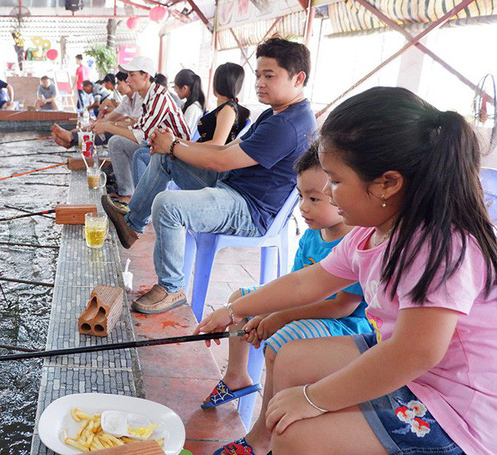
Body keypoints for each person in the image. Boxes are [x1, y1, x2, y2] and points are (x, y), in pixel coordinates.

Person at [196, 86, 497, 455]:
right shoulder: (372, 233)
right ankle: (265, 446)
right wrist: (233, 311)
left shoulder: (440, 245)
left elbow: (416, 353)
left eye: (335, 181)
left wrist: (313, 399)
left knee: (296, 434)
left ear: (388, 182)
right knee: (291, 357)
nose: (329, 192)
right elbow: (307, 282)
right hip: (410, 360)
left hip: (459, 406)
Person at [103, 38, 315, 313]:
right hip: (233, 186)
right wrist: (173, 145)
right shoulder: (275, 114)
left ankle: (172, 287)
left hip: (249, 209)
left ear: (298, 78)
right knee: (165, 156)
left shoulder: (288, 124)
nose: (260, 83)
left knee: (168, 205)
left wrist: (176, 144)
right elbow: (227, 148)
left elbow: (221, 160)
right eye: (258, 75)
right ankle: (132, 224)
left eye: (269, 76)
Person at [204, 143, 373, 455]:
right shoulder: (313, 233)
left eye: (315, 197)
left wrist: (279, 317)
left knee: (282, 343)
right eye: (300, 196)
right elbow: (298, 283)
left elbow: (339, 306)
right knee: (242, 299)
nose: (303, 207)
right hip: (309, 303)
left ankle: (263, 435)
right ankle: (237, 376)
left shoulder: (357, 239)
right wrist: (239, 309)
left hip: (345, 322)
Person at [92, 56, 190, 205]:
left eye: (132, 75)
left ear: (146, 76)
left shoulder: (159, 97)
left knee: (139, 154)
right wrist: (113, 126)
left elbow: (142, 136)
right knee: (116, 142)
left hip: (176, 151)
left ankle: (140, 205)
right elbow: (140, 128)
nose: (128, 80)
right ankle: (127, 194)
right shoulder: (147, 96)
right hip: (158, 144)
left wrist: (107, 127)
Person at [130, 66, 248, 186]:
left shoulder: (228, 109)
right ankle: (145, 202)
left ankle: (140, 203)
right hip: (203, 156)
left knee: (152, 156)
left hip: (207, 165)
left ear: (216, 84)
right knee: (154, 152)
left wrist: (175, 145)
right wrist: (175, 141)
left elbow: (217, 145)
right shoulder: (226, 108)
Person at [51, 71, 141, 148]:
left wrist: (110, 125)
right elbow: (109, 118)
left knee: (111, 131)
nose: (117, 88)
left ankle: (73, 139)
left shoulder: (139, 99)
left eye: (119, 84)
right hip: (130, 131)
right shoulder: (126, 100)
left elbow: (133, 124)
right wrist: (83, 129)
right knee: (106, 126)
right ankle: (72, 140)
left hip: (137, 136)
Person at [173, 69, 205, 134]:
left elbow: (184, 135)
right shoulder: (190, 106)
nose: (176, 92)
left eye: (176, 89)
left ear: (184, 88)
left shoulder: (193, 109)